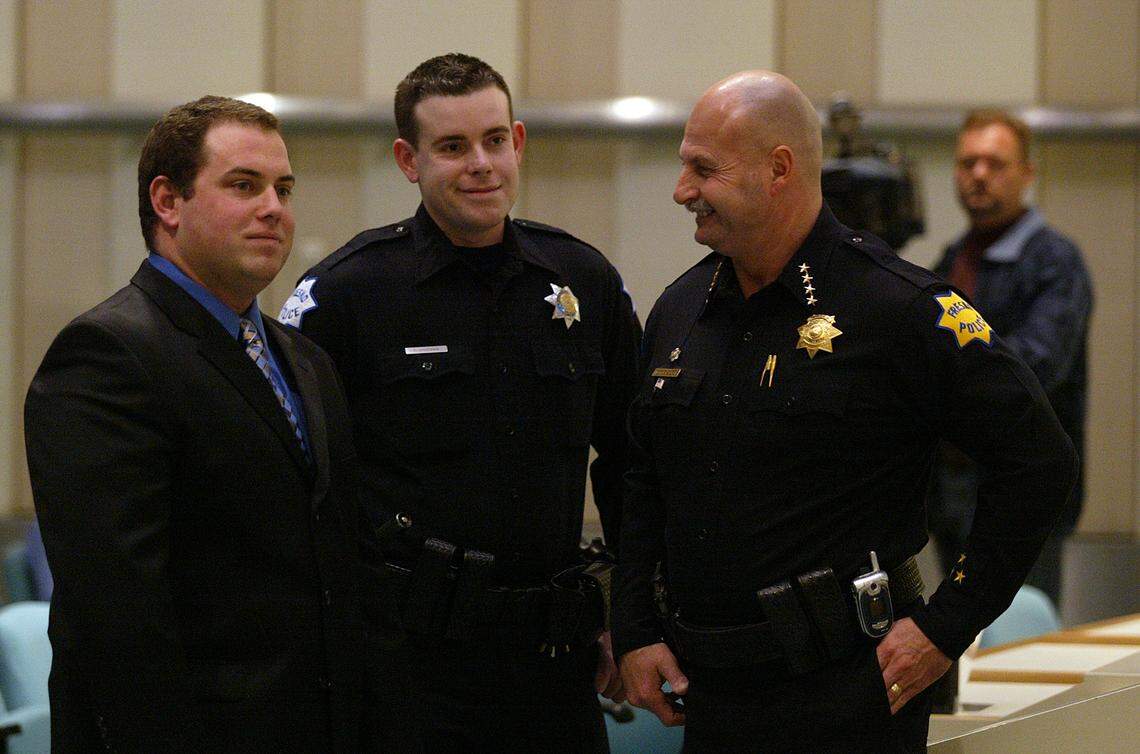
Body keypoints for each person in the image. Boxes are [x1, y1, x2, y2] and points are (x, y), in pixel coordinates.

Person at [612, 71, 1077, 752]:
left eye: (702, 169)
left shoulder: (896, 307)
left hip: (848, 692)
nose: (682, 190)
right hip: (712, 694)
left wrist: (947, 625)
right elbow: (644, 479)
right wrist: (635, 629)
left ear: (778, 170)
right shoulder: (683, 310)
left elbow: (1039, 461)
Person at [283, 53, 640, 750]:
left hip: (552, 660)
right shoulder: (348, 296)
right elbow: (305, 491)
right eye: (452, 147)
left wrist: (633, 615)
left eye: (494, 140)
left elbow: (634, 460)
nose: (480, 163)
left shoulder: (581, 279)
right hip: (410, 667)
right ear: (407, 161)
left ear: (519, 143)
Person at [25, 96, 374, 753]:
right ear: (167, 201)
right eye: (244, 185)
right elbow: (118, 614)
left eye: (284, 188)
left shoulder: (304, 358)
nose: (274, 207)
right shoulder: (106, 356)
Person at [929, 110, 1093, 606]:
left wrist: (941, 383)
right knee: (958, 646)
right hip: (951, 491)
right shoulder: (953, 258)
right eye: (968, 162)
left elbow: (1036, 368)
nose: (979, 174)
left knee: (1019, 641)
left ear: (1027, 174)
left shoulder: (1054, 262)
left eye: (995, 163)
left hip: (1023, 493)